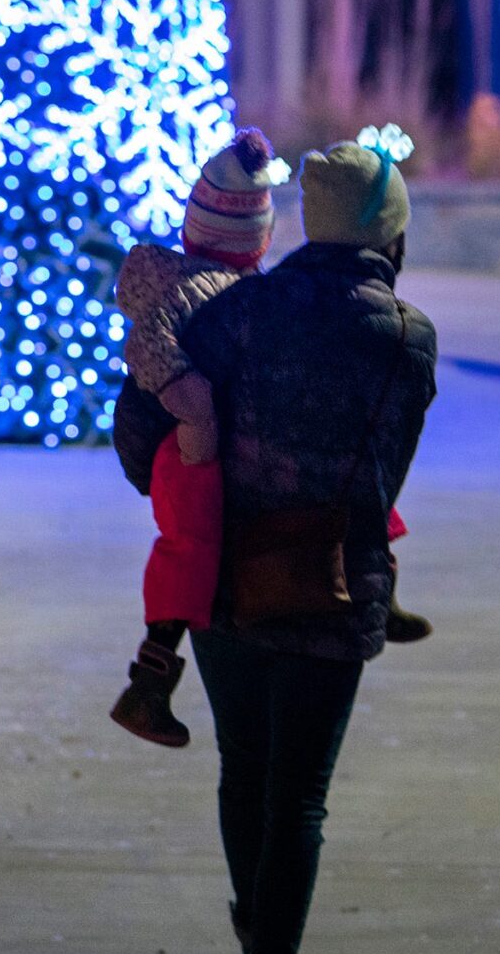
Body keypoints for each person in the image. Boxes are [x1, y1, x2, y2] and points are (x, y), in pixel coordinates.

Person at [113, 136, 438, 954]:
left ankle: (258, 928)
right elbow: (381, 482)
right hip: (330, 587)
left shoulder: (235, 311)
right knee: (298, 794)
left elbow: (143, 437)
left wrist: (200, 470)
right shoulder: (405, 337)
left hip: (225, 581)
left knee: (246, 774)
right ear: (389, 233)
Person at [108, 132, 429, 750]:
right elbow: (150, 356)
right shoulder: (197, 295)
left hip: (217, 464)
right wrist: (189, 409)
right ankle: (148, 680)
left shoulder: (249, 296)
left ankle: (384, 591)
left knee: (368, 491)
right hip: (194, 450)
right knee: (192, 546)